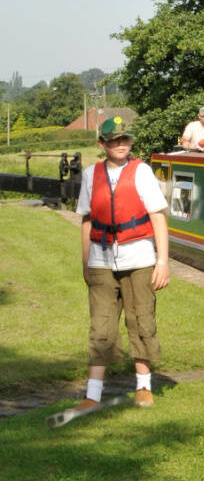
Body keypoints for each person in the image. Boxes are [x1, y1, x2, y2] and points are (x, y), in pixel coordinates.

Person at [67, 117, 170, 421]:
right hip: (101, 258)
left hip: (139, 258)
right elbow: (86, 220)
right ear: (103, 144)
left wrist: (162, 261)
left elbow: (158, 218)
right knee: (101, 325)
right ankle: (93, 394)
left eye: (126, 139)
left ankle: (143, 386)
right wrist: (86, 262)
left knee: (141, 319)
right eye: (114, 140)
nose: (121, 144)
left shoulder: (142, 172)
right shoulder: (90, 175)